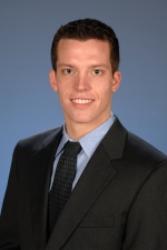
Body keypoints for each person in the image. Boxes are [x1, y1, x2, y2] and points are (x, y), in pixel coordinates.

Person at [0, 18, 167, 250]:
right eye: (69, 71)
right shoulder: (27, 154)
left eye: (96, 71)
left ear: (114, 80)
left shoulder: (151, 171)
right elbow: (9, 243)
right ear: (54, 79)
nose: (81, 86)